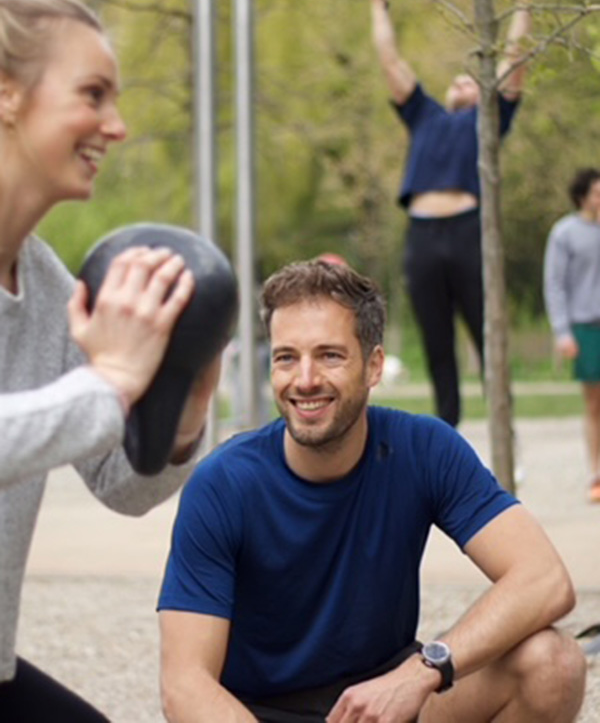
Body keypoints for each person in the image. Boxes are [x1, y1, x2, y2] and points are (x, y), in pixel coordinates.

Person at [158, 258, 586, 723]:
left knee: (553, 663)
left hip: (387, 704)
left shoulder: (423, 448)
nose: (304, 380)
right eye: (286, 357)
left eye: (330, 355)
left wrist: (422, 671)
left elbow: (544, 580)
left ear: (374, 365)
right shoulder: (223, 482)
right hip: (259, 715)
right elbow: (185, 684)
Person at [0, 0, 223, 720]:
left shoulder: (44, 282)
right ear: (6, 93)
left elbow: (121, 483)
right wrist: (112, 379)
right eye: (93, 94)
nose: (117, 126)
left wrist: (180, 400)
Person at [370, 0, 536, 427]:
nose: (462, 83)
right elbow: (391, 62)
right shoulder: (425, 115)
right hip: (423, 235)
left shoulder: (488, 119)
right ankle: (448, 435)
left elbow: (514, 61)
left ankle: (505, 432)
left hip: (468, 231)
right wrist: (378, 4)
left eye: (470, 80)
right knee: (437, 343)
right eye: (457, 80)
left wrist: (524, 0)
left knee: (488, 336)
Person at [544, 168, 600, 504]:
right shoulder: (565, 233)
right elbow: (555, 284)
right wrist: (562, 331)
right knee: (594, 404)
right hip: (585, 325)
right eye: (596, 192)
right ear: (583, 196)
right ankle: (596, 473)